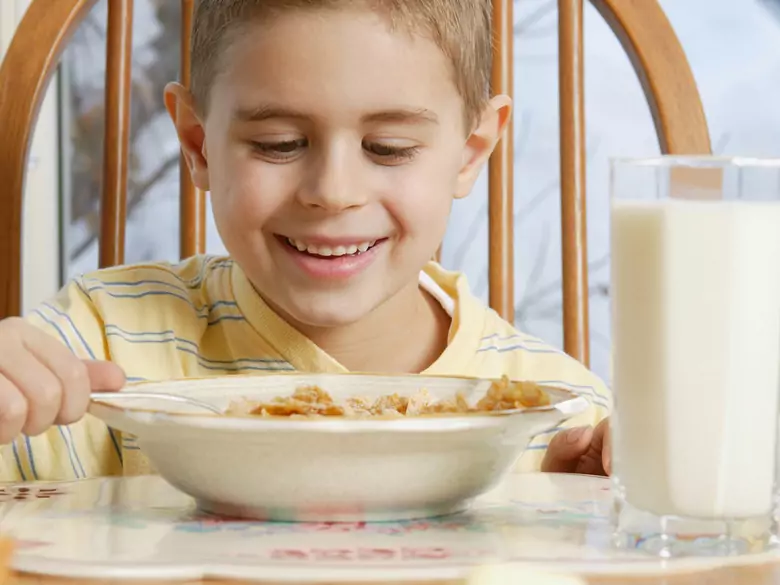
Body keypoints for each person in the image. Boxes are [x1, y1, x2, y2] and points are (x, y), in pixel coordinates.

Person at [0, 0, 611, 482]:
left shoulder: (560, 416)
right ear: (197, 144)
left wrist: (571, 522)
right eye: (278, 143)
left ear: (470, 152)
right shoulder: (97, 347)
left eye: (388, 149)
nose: (333, 192)